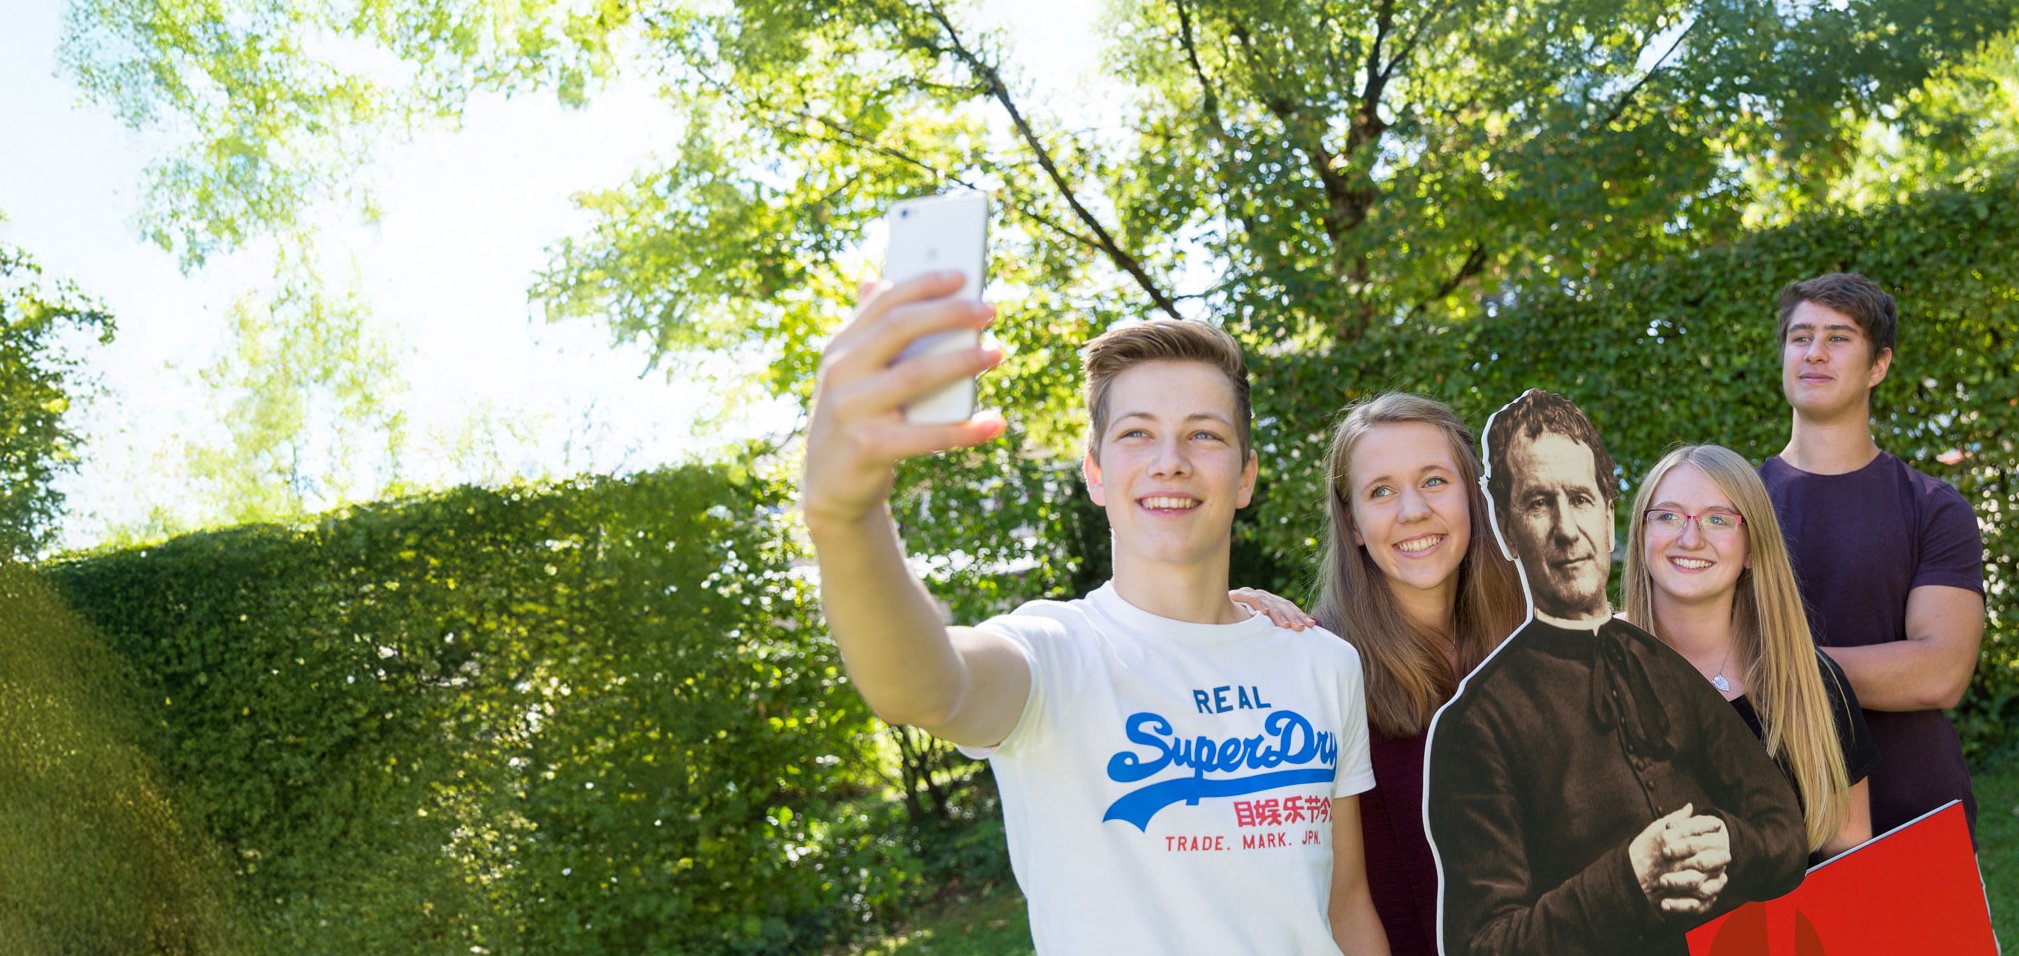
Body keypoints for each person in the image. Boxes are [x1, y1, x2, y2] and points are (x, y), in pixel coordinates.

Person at [801, 270, 1388, 953]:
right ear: (1095, 472)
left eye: (1203, 435)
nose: (1169, 461)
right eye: (1137, 434)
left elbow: (1346, 906)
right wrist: (847, 517)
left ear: (1245, 476)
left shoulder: (1322, 662)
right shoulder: (1053, 654)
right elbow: (920, 686)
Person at [1421, 389, 1806, 956]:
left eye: (1580, 499)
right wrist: (1628, 881)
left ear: (1607, 515)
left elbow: (1784, 833)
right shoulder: (1475, 724)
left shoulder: (1662, 666)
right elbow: (1482, 946)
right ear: (1505, 527)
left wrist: (1729, 842)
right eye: (1538, 503)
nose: (1566, 529)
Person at [1234, 393, 1524, 955]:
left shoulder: (1539, 643)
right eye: (1381, 491)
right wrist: (1215, 622)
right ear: (1354, 524)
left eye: (1435, 480)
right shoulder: (1310, 669)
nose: (1412, 510)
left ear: (1475, 496)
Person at [1758, 272, 1987, 841]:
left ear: (1878, 365)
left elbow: (1941, 671)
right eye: (1800, 337)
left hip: (1914, 810)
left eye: (1838, 338)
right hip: (1772, 815)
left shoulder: (1933, 507)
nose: (1814, 352)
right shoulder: (1733, 505)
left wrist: (1769, 669)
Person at [1621, 444, 1878, 861]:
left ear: (1753, 549)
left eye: (1718, 519)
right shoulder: (1584, 675)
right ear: (1641, 534)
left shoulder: (1814, 684)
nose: (1690, 538)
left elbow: (1853, 867)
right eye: (1667, 516)